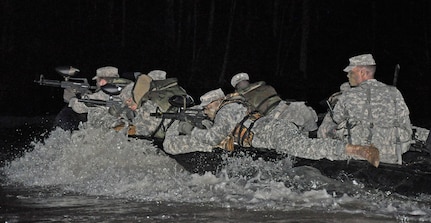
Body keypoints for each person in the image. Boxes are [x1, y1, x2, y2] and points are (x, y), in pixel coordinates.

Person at [163, 88, 380, 167]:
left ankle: (357, 150)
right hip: (275, 129)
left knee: (307, 149)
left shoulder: (226, 110)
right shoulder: (233, 107)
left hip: (272, 133)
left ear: (214, 103)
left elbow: (213, 136)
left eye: (206, 108)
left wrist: (189, 133)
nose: (205, 112)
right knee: (308, 147)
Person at [331, 54, 412, 164]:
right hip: (391, 157)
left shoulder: (349, 95)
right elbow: (405, 123)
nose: (348, 75)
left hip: (359, 157)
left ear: (362, 72)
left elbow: (337, 118)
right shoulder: (394, 93)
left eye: (351, 72)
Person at [230, 73, 319, 136]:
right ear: (237, 87)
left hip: (282, 105)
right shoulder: (240, 98)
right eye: (240, 82)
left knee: (305, 109)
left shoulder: (261, 86)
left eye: (244, 80)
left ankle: (314, 133)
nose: (243, 82)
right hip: (271, 114)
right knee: (294, 121)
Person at [117, 70, 189, 139]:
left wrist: (117, 129)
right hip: (177, 135)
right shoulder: (178, 93)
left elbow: (141, 131)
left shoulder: (153, 100)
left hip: (160, 141)